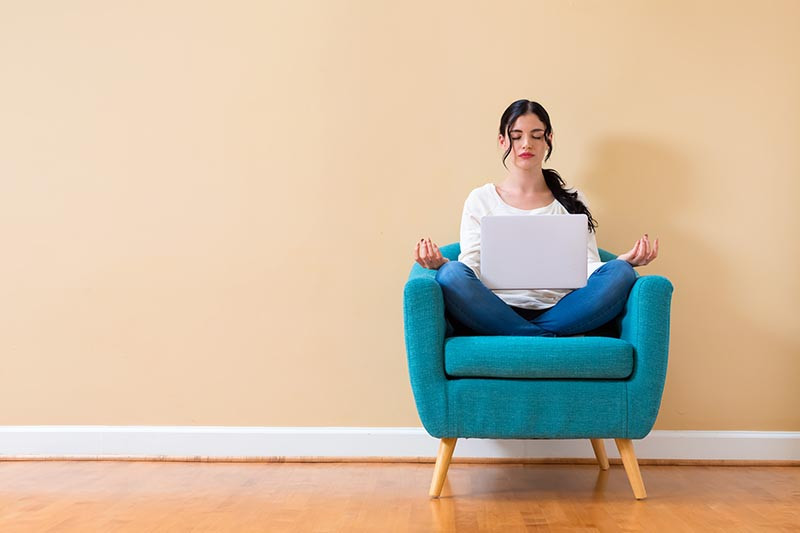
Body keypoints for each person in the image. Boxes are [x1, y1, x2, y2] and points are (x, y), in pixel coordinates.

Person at [412, 99, 659, 337]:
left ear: (548, 139)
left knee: (621, 272)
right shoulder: (481, 199)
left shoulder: (572, 200)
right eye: (516, 136)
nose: (526, 144)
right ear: (502, 141)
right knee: (451, 274)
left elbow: (587, 266)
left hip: (563, 309)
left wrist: (621, 262)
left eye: (536, 135)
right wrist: (443, 264)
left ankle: (524, 335)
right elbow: (472, 264)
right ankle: (542, 336)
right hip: (495, 309)